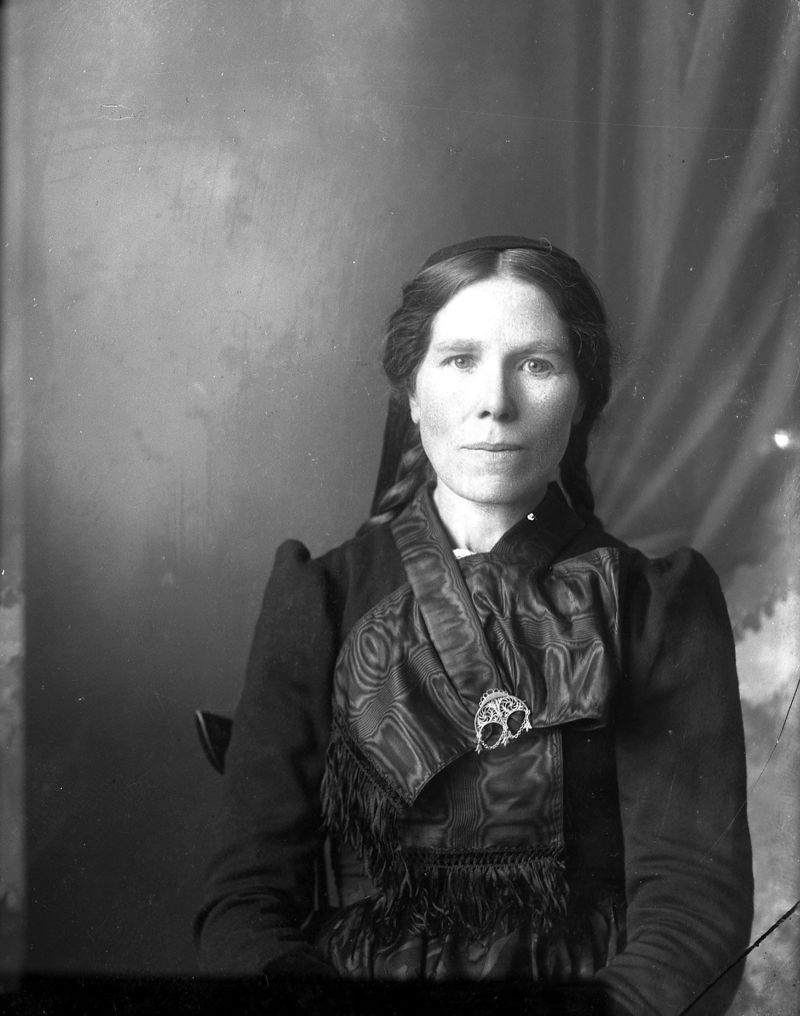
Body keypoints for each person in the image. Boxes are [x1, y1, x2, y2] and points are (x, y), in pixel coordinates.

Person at [195, 236, 753, 1015]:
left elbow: (694, 908)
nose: (495, 401)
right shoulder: (321, 597)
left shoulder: (655, 605)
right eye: (459, 360)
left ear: (582, 398)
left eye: (537, 365)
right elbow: (243, 906)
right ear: (412, 392)